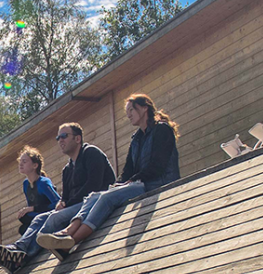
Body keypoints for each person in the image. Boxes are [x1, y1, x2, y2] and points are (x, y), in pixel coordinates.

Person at [39, 94, 179, 254]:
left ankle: (72, 241)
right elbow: (128, 170)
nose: (129, 114)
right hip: (139, 184)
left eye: (131, 109)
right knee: (95, 196)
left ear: (145, 107)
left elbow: (157, 166)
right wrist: (119, 184)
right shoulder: (136, 139)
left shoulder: (161, 130)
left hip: (158, 183)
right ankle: (68, 232)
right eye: (127, 112)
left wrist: (130, 181)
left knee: (107, 198)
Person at [0, 122, 116, 270]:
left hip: (95, 203)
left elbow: (94, 186)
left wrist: (65, 203)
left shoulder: (91, 153)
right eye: (58, 138)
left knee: (54, 217)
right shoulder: (67, 169)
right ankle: (17, 248)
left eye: (64, 136)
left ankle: (23, 258)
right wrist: (63, 202)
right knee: (39, 218)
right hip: (76, 206)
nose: (60, 140)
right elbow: (66, 196)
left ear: (77, 139)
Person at [15, 147, 60, 235]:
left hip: (48, 216)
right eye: (20, 161)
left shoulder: (43, 183)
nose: (20, 164)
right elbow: (30, 205)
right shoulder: (26, 184)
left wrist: (33, 209)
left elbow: (57, 203)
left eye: (24, 162)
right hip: (36, 216)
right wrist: (26, 210)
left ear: (35, 165)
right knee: (23, 225)